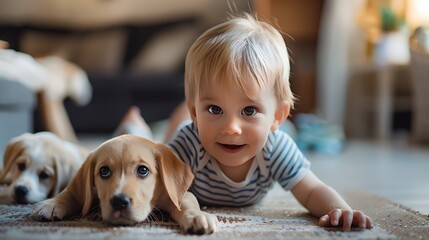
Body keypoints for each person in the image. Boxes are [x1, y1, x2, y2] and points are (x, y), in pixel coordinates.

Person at [116, 13, 372, 231]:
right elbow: (154, 185)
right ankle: (135, 126)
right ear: (197, 113)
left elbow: (312, 190)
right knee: (152, 148)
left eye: (249, 110)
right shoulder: (190, 143)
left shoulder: (275, 147)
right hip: (182, 132)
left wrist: (340, 209)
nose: (231, 127)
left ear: (277, 117)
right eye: (215, 109)